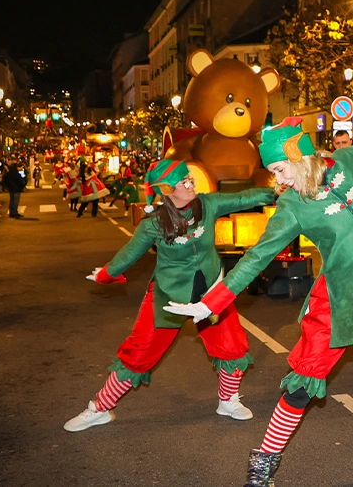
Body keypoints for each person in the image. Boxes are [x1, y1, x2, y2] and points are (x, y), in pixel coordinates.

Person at [163, 58, 353, 487]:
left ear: (299, 157)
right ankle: (263, 462)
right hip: (338, 294)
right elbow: (256, 258)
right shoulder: (291, 205)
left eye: (281, 170)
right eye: (275, 174)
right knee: (302, 386)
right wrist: (211, 302)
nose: (279, 180)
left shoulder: (352, 160)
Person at [64, 159, 276, 432]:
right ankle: (100, 408)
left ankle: (228, 400)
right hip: (169, 295)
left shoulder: (207, 204)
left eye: (190, 178)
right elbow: (130, 253)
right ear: (166, 190)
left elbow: (243, 198)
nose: (191, 184)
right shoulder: (154, 223)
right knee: (139, 352)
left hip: (210, 292)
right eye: (184, 182)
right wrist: (106, 274)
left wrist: (275, 191)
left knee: (232, 346)